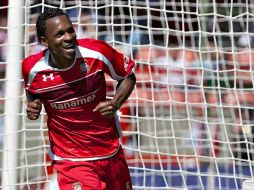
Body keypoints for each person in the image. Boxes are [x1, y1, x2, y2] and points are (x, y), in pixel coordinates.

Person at [22, 8, 136, 190]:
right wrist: (33, 103)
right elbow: (32, 91)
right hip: (70, 158)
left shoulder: (97, 52)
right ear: (44, 41)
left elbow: (128, 75)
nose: (68, 37)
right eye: (60, 34)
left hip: (109, 148)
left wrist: (115, 103)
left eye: (70, 30)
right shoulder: (32, 68)